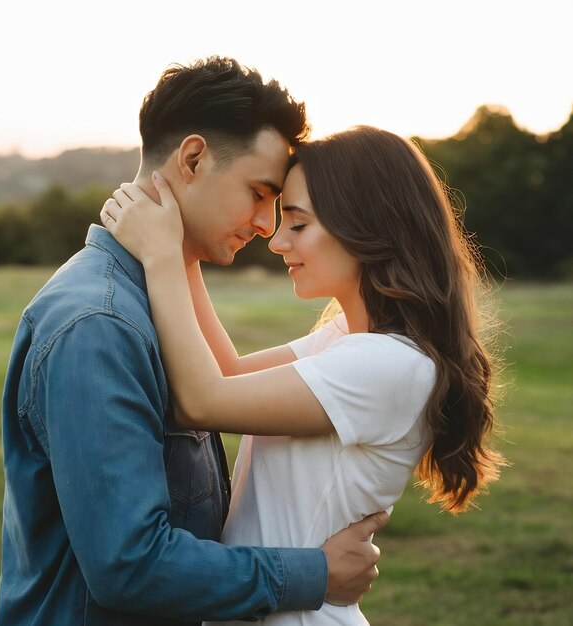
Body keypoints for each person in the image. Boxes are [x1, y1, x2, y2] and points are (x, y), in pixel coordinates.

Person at [0, 58, 388, 626]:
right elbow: (130, 565)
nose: (264, 224)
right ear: (194, 159)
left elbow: (224, 383)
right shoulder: (98, 324)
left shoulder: (152, 302)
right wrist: (315, 574)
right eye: (258, 192)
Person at [101, 124, 508, 625]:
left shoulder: (388, 366)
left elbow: (202, 400)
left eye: (298, 224)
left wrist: (162, 255)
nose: (276, 242)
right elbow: (227, 372)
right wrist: (184, 243)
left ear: (367, 228)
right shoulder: (348, 340)